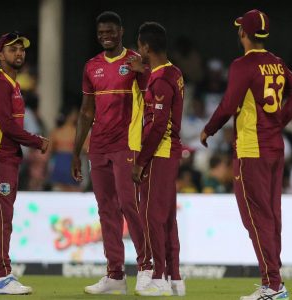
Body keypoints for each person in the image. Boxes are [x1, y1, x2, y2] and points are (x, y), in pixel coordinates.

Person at [200, 9, 292, 300]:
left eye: (239, 30)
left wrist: (208, 129)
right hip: (275, 147)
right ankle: (274, 281)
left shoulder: (242, 65)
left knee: (256, 219)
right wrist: (279, 122)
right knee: (271, 216)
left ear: (243, 33)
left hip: (251, 148)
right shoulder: (277, 63)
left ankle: (273, 285)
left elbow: (228, 104)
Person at [71, 11, 152, 295]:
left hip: (126, 144)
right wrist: (76, 151)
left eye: (110, 31)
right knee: (106, 210)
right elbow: (85, 111)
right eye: (101, 32)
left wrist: (146, 74)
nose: (106, 36)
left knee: (129, 205)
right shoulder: (91, 66)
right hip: (98, 147)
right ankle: (115, 275)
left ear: (121, 31)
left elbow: (155, 94)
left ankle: (146, 268)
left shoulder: (134, 62)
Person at [0, 31, 49, 295]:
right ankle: (2, 276)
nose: (19, 53)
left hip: (1, 158)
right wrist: (37, 141)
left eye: (22, 49)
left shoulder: (13, 84)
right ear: (1, 54)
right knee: (0, 220)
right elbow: (6, 125)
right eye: (13, 49)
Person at [129, 21, 185, 297]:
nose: (138, 51)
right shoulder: (173, 72)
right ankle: (175, 277)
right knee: (167, 218)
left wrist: (140, 161)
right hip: (169, 153)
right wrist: (146, 71)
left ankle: (158, 277)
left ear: (146, 47)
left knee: (151, 216)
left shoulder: (161, 79)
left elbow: (158, 123)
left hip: (159, 153)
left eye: (139, 46)